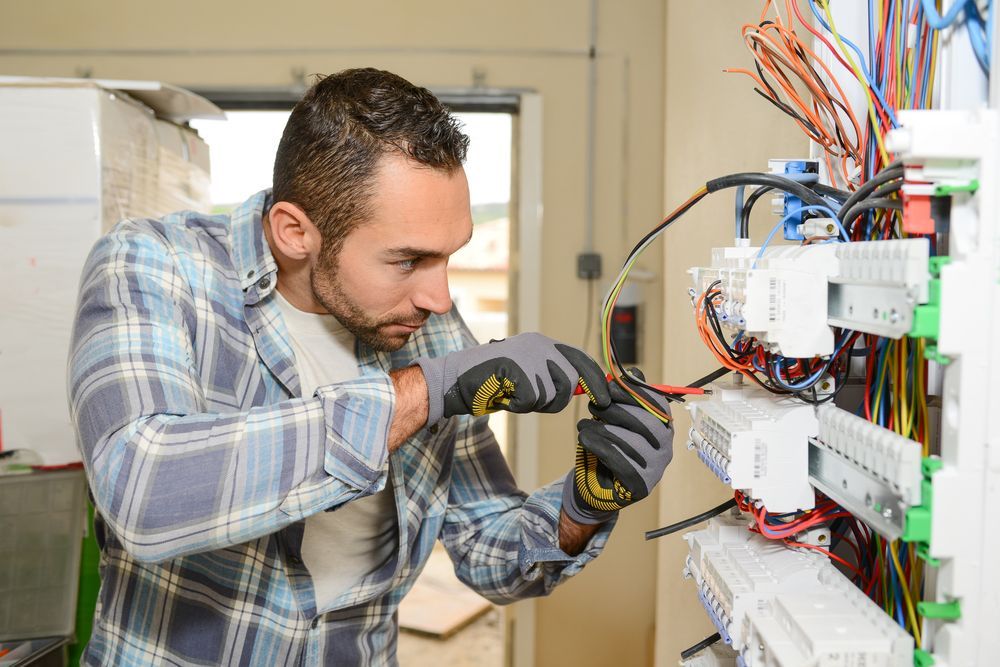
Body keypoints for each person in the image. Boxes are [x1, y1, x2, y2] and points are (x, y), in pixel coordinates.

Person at [68, 67, 673, 666]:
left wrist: (584, 506)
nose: (439, 299)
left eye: (447, 258)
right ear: (294, 231)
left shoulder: (426, 327)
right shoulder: (153, 267)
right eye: (408, 260)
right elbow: (142, 490)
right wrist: (422, 393)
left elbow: (489, 553)